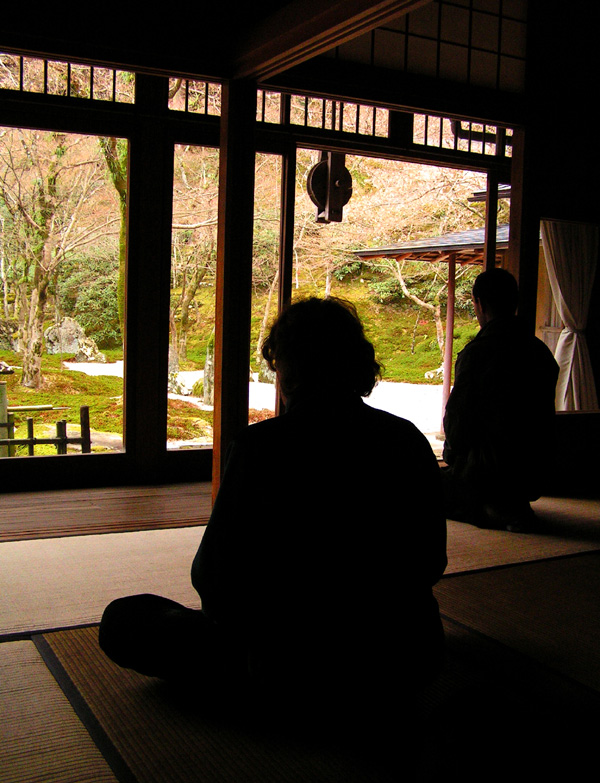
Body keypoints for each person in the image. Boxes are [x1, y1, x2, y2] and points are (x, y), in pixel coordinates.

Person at [99, 297, 447, 716]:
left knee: (125, 619)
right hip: (405, 659)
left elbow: (213, 578)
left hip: (290, 666)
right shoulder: (405, 438)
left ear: (287, 369)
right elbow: (430, 560)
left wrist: (252, 631)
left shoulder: (262, 446)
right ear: (356, 362)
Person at [442, 268, 559, 531]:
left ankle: (489, 508)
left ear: (479, 303)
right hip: (536, 469)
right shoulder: (539, 351)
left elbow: (457, 423)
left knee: (416, 486)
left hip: (489, 471)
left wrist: (451, 455)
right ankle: (507, 505)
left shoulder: (479, 353)